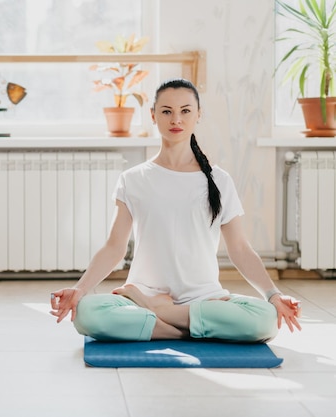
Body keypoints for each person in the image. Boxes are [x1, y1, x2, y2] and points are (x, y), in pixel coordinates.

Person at [50, 78, 302, 343]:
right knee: (87, 313)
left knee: (264, 319)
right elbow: (114, 247)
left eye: (185, 111)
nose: (176, 119)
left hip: (204, 298)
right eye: (167, 111)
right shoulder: (133, 179)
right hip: (143, 295)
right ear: (153, 116)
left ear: (198, 115)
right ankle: (185, 325)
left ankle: (162, 317)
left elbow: (239, 248)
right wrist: (79, 290)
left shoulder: (219, 180)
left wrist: (273, 295)